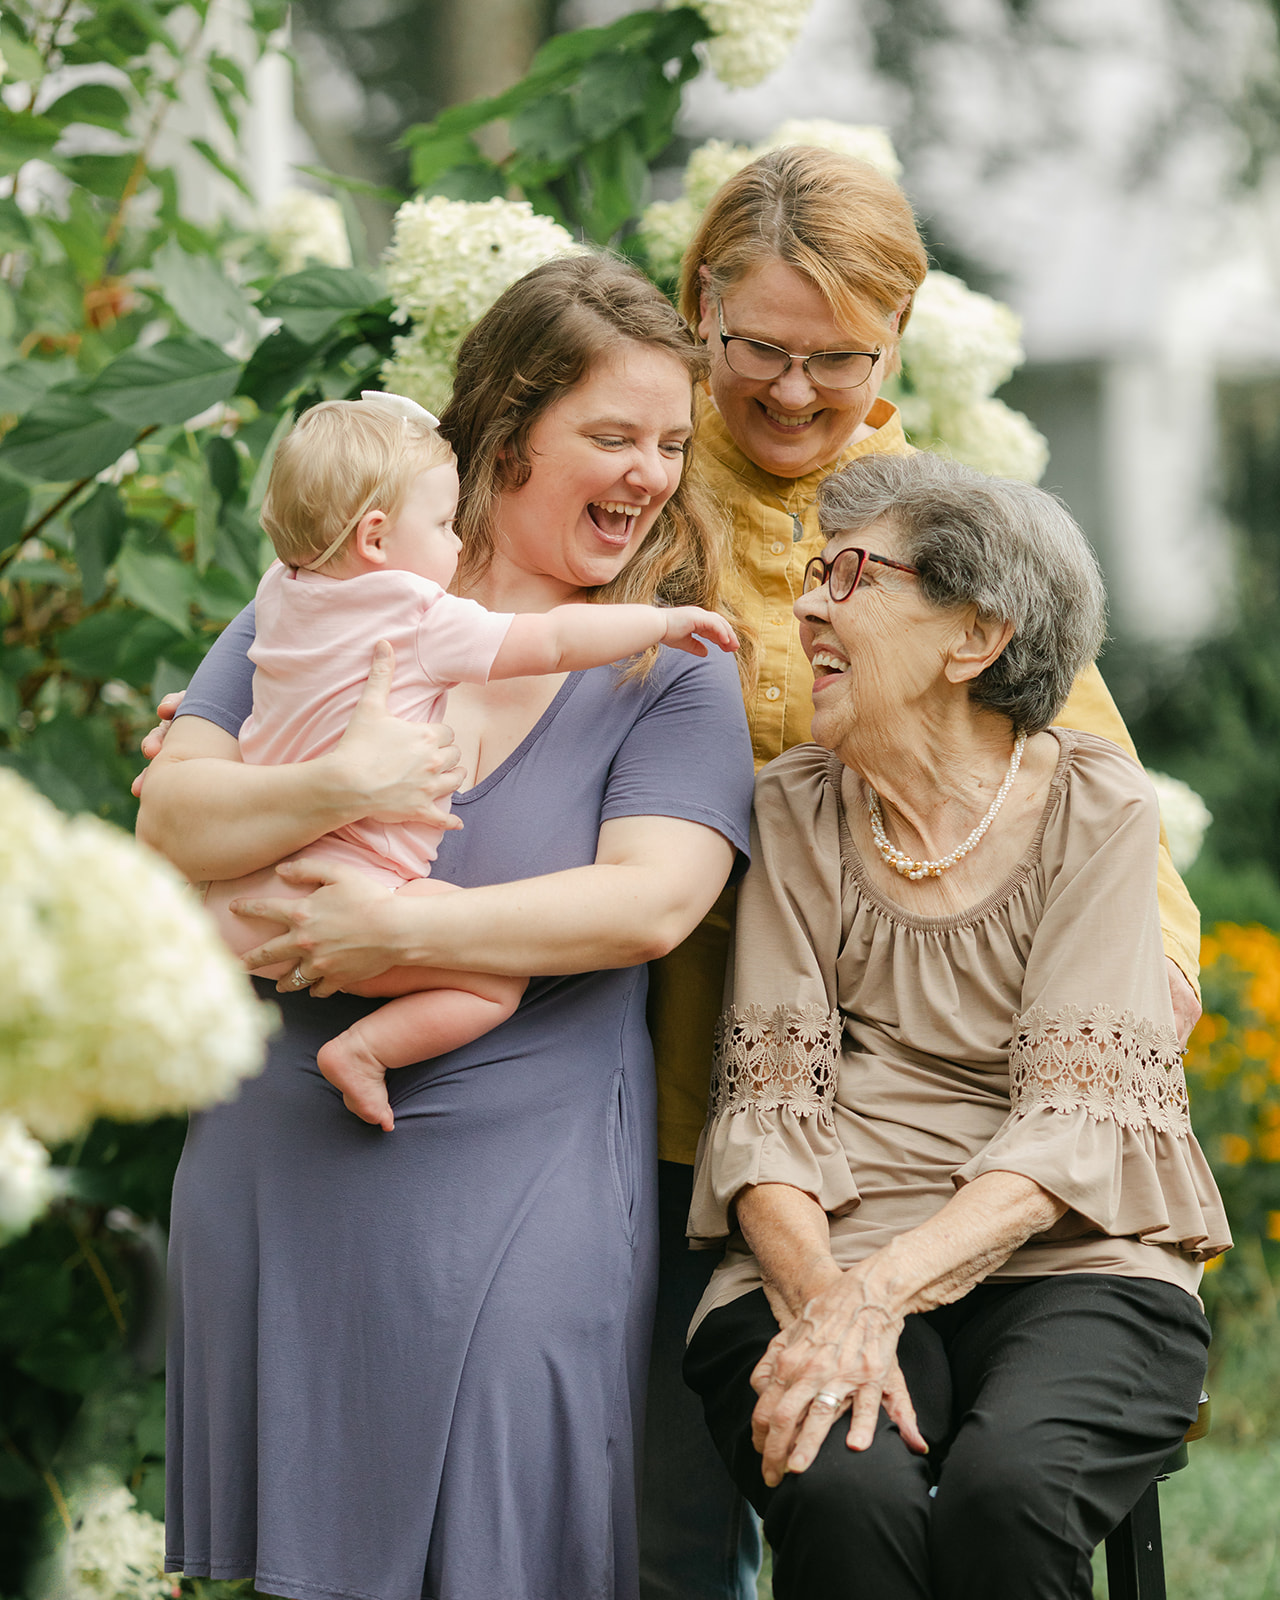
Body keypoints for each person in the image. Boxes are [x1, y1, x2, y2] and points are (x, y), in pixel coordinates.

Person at [137, 254, 756, 1600]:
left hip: (523, 1149)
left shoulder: (666, 663)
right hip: (281, 1137)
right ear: (508, 425)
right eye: (611, 436)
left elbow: (649, 905)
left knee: (509, 1543)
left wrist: (397, 929)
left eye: (667, 441)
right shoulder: (314, 602)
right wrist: (335, 789)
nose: (649, 473)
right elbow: (170, 829)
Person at [637, 144, 1205, 1600]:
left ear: (894, 343)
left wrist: (1097, 1071)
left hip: (963, 1163)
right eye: (761, 346)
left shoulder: (938, 535)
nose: (794, 389)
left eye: (841, 357)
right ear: (701, 307)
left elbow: (1079, 809)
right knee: (676, 1534)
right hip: (662, 1104)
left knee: (946, 1483)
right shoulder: (636, 495)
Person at [205, 391, 738, 1130]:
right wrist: (662, 620)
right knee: (496, 983)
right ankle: (362, 1051)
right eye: (446, 525)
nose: (459, 546)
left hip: (235, 901)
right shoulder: (421, 618)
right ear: (376, 537)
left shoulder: (279, 596)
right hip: (349, 892)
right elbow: (552, 642)